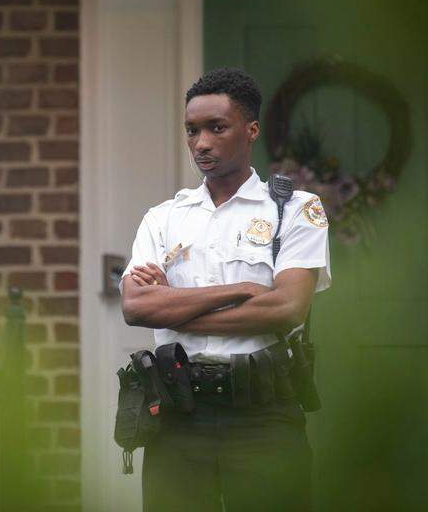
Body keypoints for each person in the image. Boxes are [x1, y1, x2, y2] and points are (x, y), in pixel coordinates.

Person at [120, 66, 331, 512]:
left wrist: (174, 308)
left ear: (250, 130)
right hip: (178, 417)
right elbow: (136, 306)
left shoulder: (295, 210)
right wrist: (240, 289)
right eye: (192, 130)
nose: (202, 143)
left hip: (263, 416)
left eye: (217, 127)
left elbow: (287, 308)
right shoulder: (163, 218)